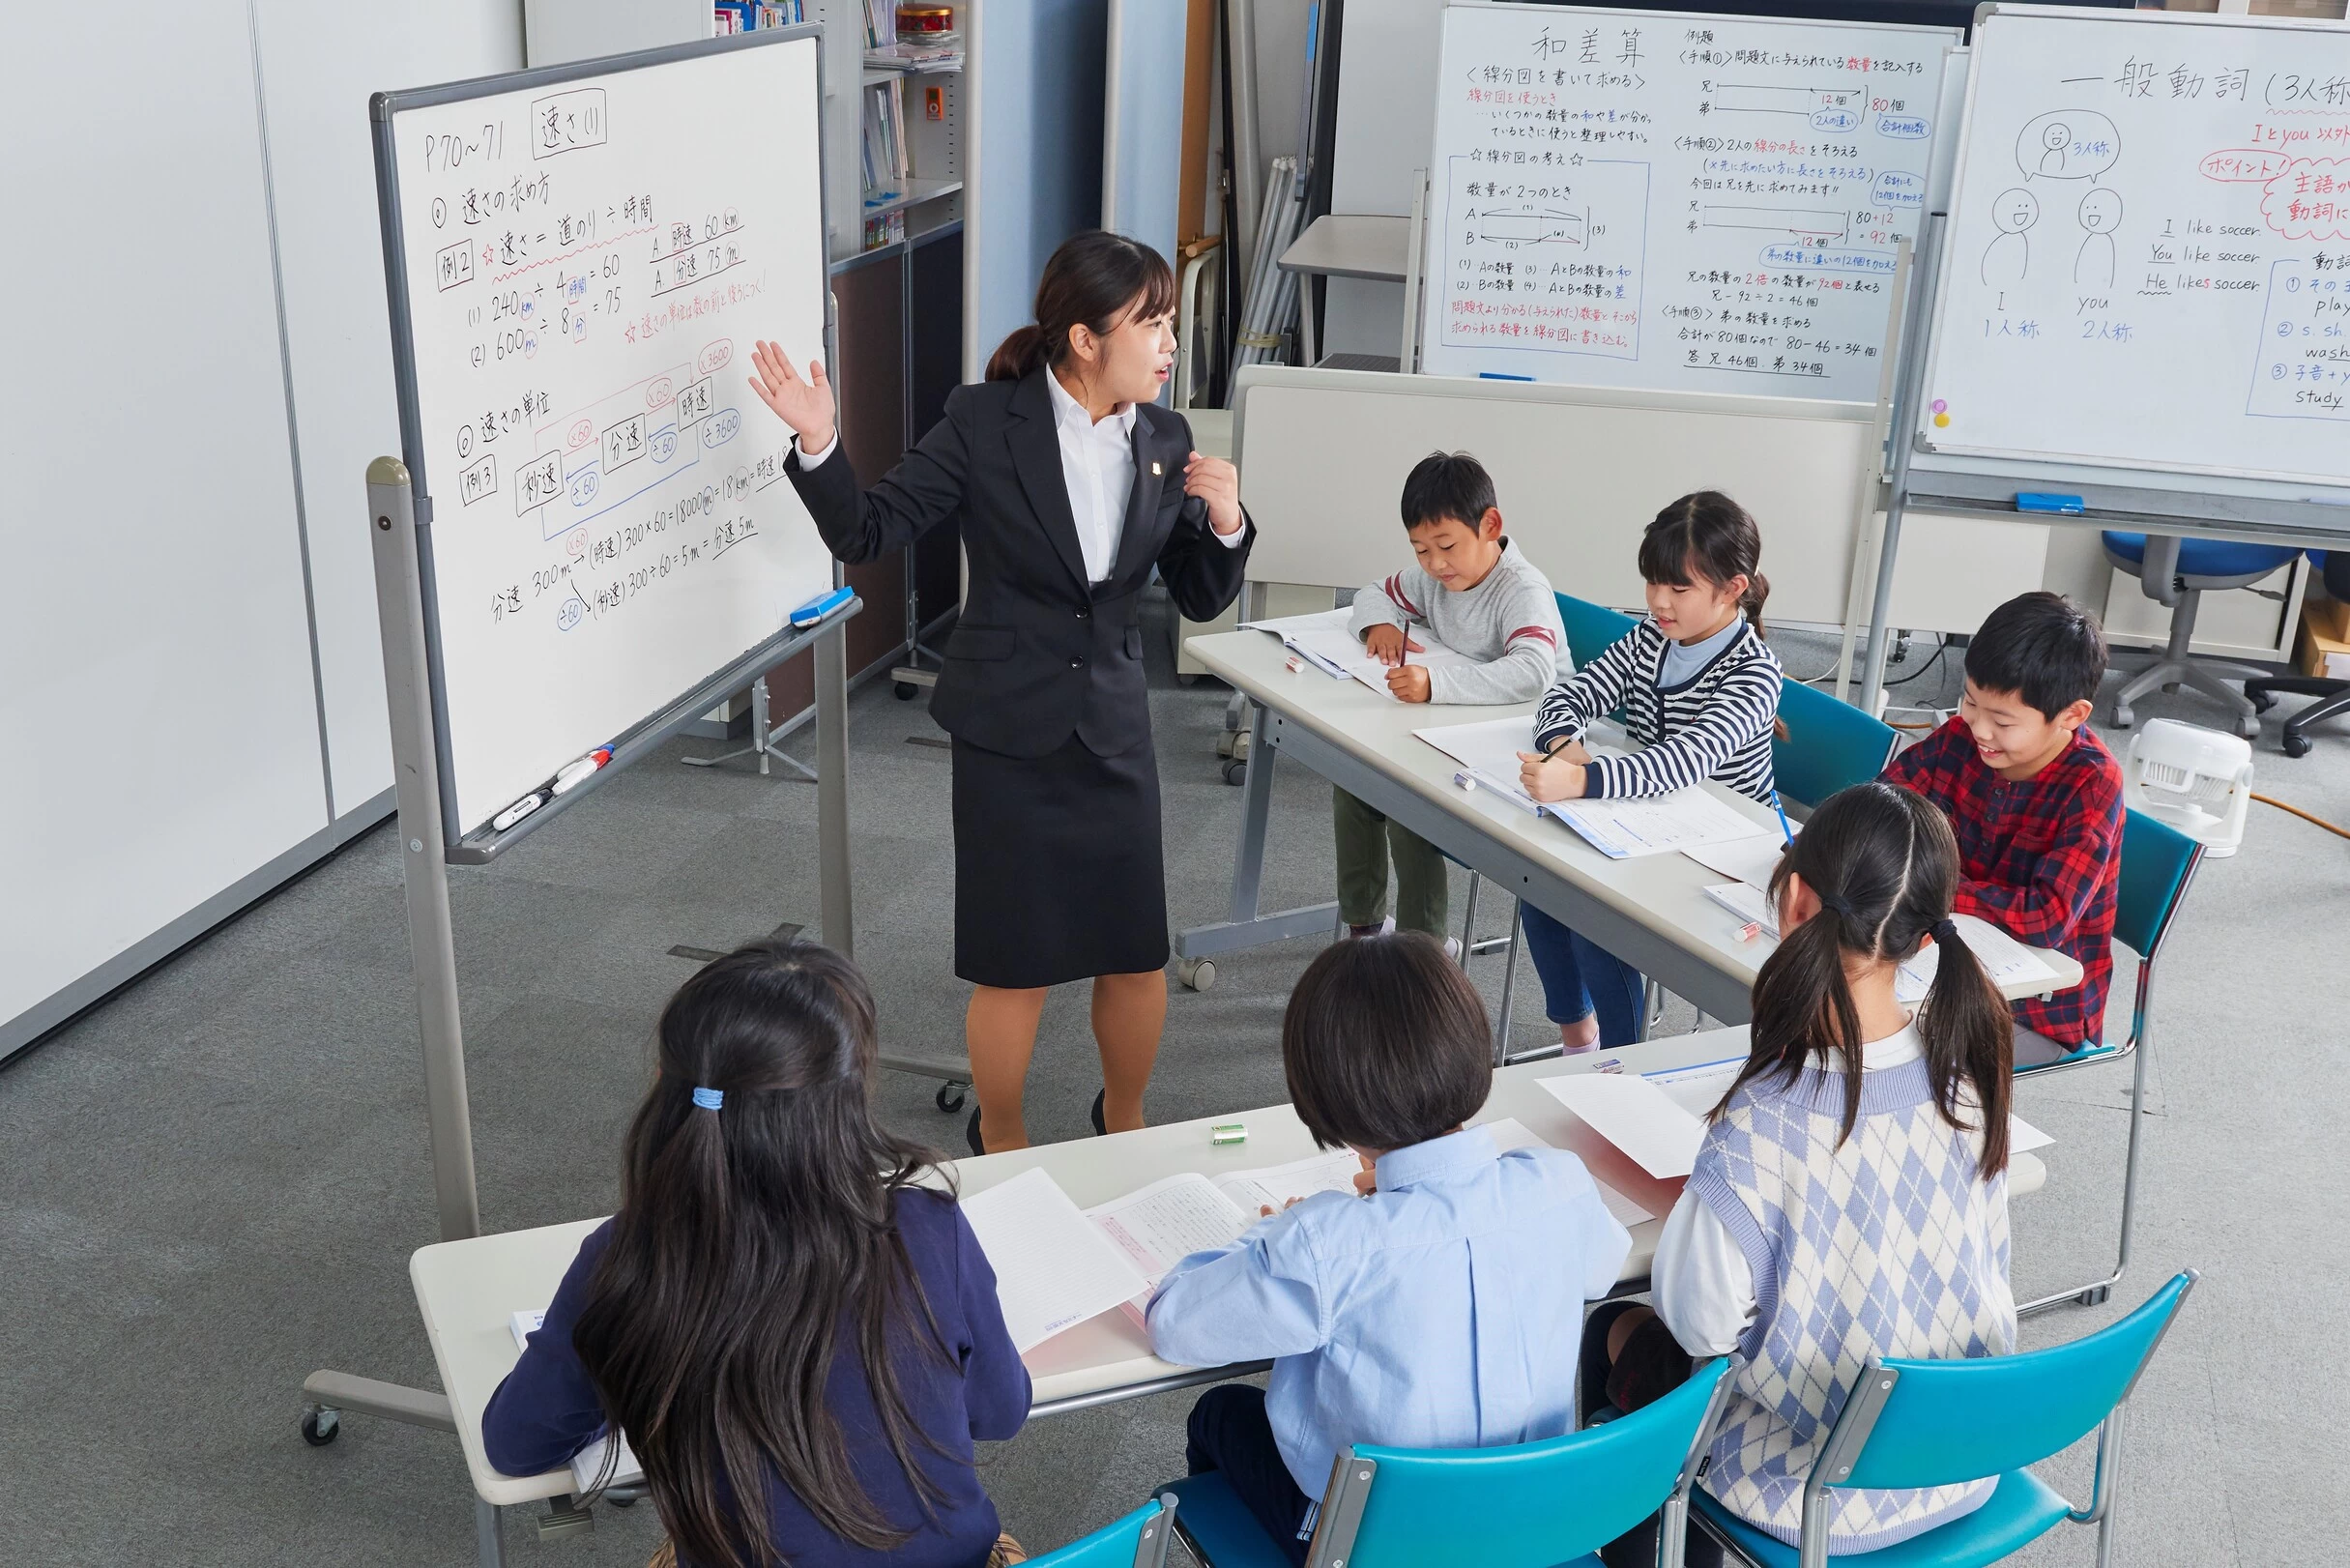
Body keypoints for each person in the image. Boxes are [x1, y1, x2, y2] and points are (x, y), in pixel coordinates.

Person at [747, 230, 1254, 1153]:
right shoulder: (986, 422)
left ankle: (1125, 1118)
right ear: (1086, 339)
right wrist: (819, 440)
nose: (1170, 345)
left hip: (1111, 730)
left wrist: (1224, 522)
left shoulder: (1166, 439)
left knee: (1135, 955)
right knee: (1013, 966)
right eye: (1153, 325)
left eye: (1170, 324)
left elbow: (1197, 594)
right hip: (1007, 732)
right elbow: (871, 529)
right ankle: (1004, 1131)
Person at [480, 939, 1032, 1568]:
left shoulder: (628, 1256)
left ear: (667, 1086)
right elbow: (999, 1413)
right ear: (847, 1098)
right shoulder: (927, 1227)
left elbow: (516, 1447)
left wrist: (621, 1372)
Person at [1585, 782, 2016, 1565]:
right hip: (1956, 1463)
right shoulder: (1965, 1078)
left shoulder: (1762, 1119)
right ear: (1923, 942)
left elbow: (1701, 1328)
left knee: (1605, 1331)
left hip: (1801, 1491)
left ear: (1791, 901)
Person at [1146, 932, 1630, 1565]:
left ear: (1319, 1099)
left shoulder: (1324, 1244)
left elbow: (1173, 1323)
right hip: (1532, 1528)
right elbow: (1604, 1267)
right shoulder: (1556, 1184)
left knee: (1220, 1413)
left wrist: (1272, 1233)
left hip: (1378, 1545)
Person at [1516, 492, 1784, 1050]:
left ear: (1733, 588)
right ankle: (1579, 1041)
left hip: (1721, 855)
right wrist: (1564, 741)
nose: (1659, 602)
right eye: (1652, 583)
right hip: (1647, 822)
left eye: (1679, 588)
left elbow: (1683, 762)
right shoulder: (1651, 638)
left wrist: (1584, 780)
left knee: (1597, 924)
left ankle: (1620, 1061)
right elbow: (1570, 693)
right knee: (1542, 890)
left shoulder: (1754, 673)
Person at [1336, 450, 1565, 944]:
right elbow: (1375, 590)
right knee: (1353, 776)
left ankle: (1423, 951)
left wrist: (1436, 686)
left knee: (1407, 800)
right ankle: (1365, 929)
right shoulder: (1437, 577)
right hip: (1457, 730)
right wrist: (1378, 624)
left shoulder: (1521, 588)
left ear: (1490, 525)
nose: (1435, 565)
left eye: (1446, 546)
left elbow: (1533, 672)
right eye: (1421, 550)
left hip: (1525, 745)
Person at [1881, 591, 2122, 1059]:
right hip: (1939, 963)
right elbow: (1883, 806)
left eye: (2003, 721)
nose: (1978, 729)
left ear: (2071, 716)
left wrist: (1929, 889)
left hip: (2036, 1005)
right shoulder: (1960, 737)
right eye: (1970, 702)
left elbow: (2046, 917)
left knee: (1878, 1047)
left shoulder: (2092, 784)